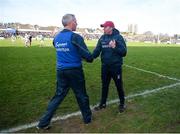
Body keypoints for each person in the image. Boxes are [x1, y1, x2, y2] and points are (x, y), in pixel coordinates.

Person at [37, 14, 93, 130]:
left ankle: (43, 122)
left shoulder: (56, 38)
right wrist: (87, 57)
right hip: (74, 71)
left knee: (58, 96)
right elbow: (88, 57)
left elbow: (61, 49)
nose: (77, 24)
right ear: (71, 22)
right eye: (76, 21)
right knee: (81, 95)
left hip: (61, 71)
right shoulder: (75, 37)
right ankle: (87, 119)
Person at [92, 21, 127, 113]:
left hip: (116, 67)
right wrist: (89, 57)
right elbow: (97, 51)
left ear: (111, 28)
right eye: (103, 27)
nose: (103, 29)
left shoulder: (118, 37)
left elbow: (124, 52)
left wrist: (114, 47)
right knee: (104, 85)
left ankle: (122, 103)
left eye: (105, 27)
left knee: (119, 85)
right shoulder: (102, 38)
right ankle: (102, 104)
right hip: (105, 67)